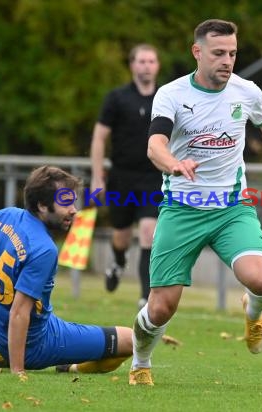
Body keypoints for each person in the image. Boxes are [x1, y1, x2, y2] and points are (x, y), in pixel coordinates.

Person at [128, 19, 262, 386]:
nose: (227, 60)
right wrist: (174, 163)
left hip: (231, 208)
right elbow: (154, 144)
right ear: (197, 52)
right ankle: (141, 362)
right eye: (219, 53)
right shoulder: (171, 94)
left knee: (261, 280)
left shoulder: (245, 91)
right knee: (160, 308)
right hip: (181, 210)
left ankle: (254, 314)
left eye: (233, 53)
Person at [0, 166, 133, 375]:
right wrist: (18, 370)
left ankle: (0, 351)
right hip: (34, 344)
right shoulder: (44, 248)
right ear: (41, 205)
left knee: (46, 315)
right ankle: (70, 366)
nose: (73, 210)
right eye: (65, 202)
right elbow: (19, 313)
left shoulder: (3, 216)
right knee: (131, 340)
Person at [90, 44, 163, 309]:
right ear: (132, 65)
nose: (146, 66)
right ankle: (119, 261)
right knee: (121, 235)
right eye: (141, 61)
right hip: (122, 177)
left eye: (151, 61)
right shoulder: (117, 98)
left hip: (153, 177)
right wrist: (97, 177)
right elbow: (99, 137)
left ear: (158, 66)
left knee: (148, 232)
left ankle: (146, 297)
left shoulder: (165, 97)